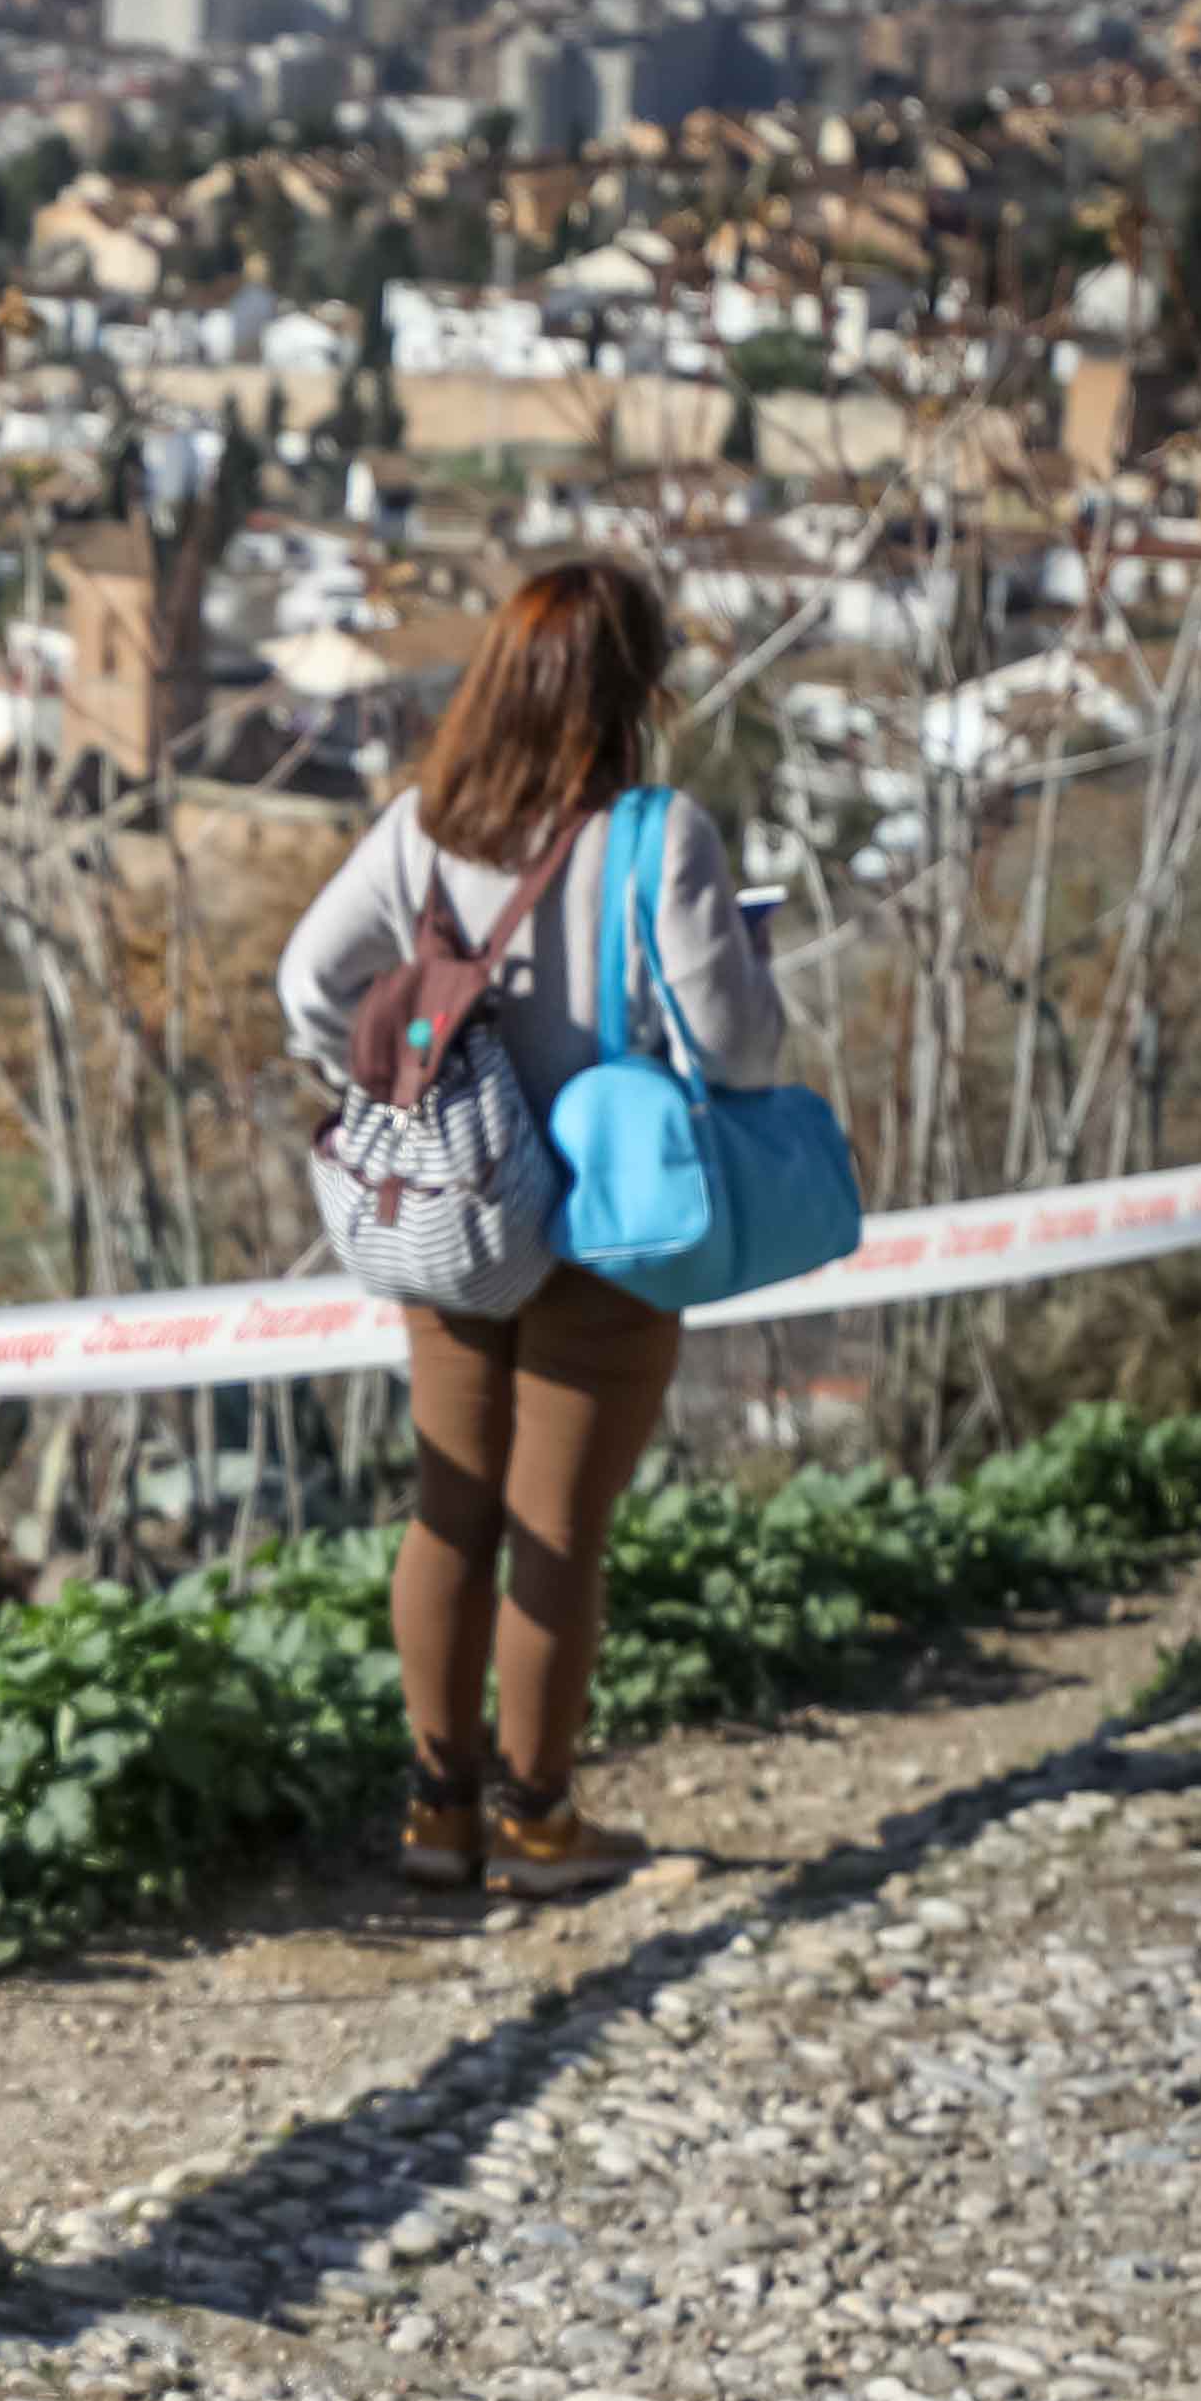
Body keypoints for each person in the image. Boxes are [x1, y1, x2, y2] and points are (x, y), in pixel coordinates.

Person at [274, 558, 787, 1900]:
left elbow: (305, 986)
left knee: (450, 1512)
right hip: (605, 1233)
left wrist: (402, 1068)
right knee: (557, 1528)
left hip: (455, 1211)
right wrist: (749, 974)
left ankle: (437, 1811)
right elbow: (729, 1049)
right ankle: (539, 1820)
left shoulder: (417, 828)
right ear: (635, 690)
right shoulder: (657, 835)